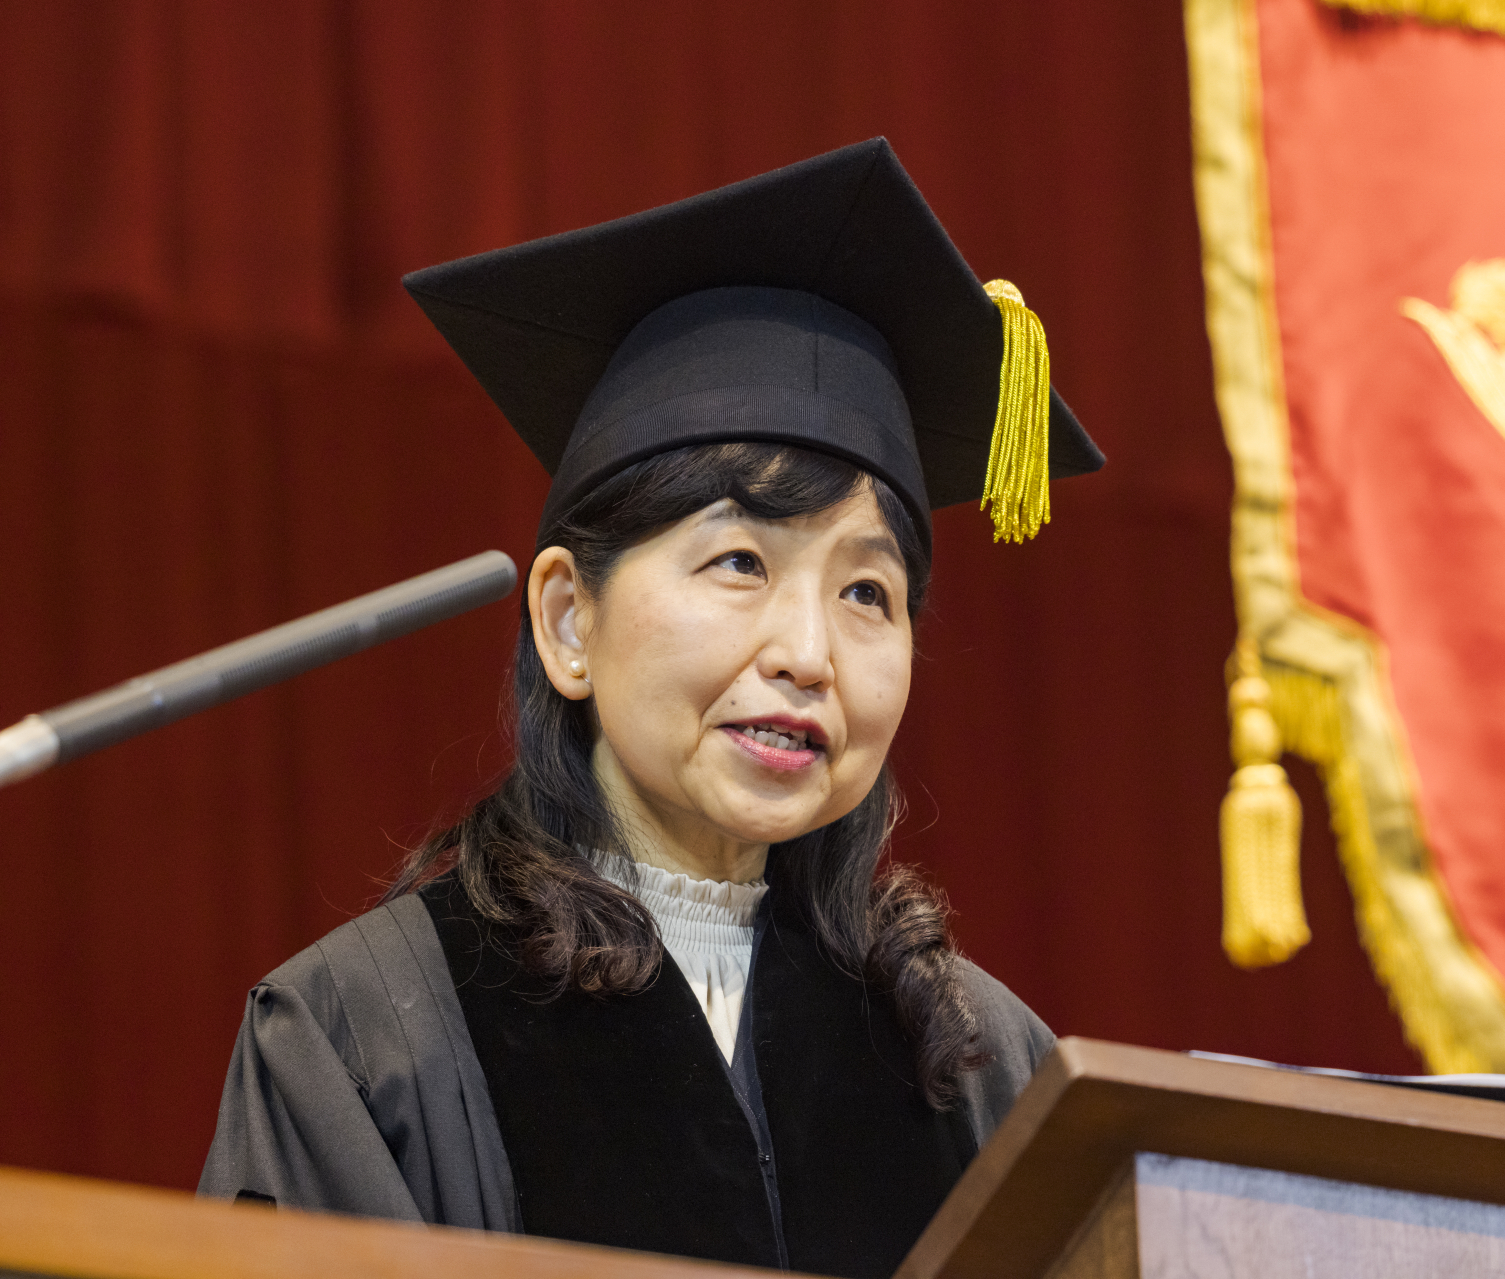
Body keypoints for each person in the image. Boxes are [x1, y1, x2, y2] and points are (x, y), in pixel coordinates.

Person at [196, 139, 1105, 1279]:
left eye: (867, 593)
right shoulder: (365, 1036)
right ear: (569, 620)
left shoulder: (977, 1061)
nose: (809, 653)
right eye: (739, 562)